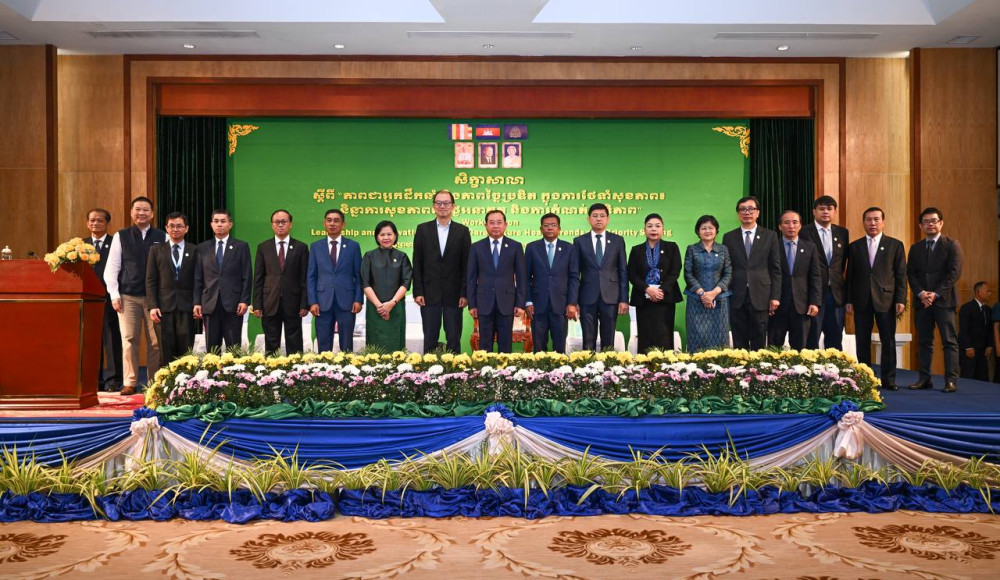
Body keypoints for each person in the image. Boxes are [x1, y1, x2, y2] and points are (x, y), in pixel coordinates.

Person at [103, 196, 166, 395]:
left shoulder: (162, 236)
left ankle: (154, 382)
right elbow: (112, 268)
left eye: (146, 209)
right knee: (129, 339)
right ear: (131, 213)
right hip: (127, 296)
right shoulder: (121, 236)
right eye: (137, 209)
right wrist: (114, 294)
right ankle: (129, 381)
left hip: (154, 299)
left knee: (155, 342)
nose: (141, 213)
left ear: (152, 214)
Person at [845, 207, 907, 391]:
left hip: (886, 300)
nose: (872, 223)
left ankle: (889, 380)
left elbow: (901, 275)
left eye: (876, 219)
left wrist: (901, 299)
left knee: (888, 341)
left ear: (883, 222)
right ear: (863, 222)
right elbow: (850, 276)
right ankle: (865, 379)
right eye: (869, 219)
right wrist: (849, 300)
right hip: (861, 300)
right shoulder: (854, 247)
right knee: (862, 341)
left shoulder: (895, 245)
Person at [907, 207, 963, 393]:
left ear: (941, 223)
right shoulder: (915, 248)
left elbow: (953, 273)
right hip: (922, 302)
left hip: (944, 301)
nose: (930, 224)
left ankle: (951, 380)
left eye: (934, 221)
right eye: (926, 222)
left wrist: (935, 293)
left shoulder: (952, 245)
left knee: (949, 342)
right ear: (921, 226)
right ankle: (924, 379)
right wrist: (921, 293)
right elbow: (911, 274)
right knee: (924, 342)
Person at [412, 189, 471, 353]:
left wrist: (464, 293)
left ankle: (455, 368)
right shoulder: (423, 229)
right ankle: (428, 368)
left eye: (446, 203)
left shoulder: (462, 231)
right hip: (429, 293)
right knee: (430, 338)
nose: (442, 206)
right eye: (439, 203)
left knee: (454, 338)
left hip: (455, 294)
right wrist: (418, 291)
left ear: (453, 206)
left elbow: (467, 265)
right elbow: (417, 262)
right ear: (433, 206)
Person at [721, 196, 782, 350]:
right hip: (736, 294)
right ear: (738, 214)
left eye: (751, 209)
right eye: (743, 209)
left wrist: (775, 297)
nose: (747, 212)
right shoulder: (729, 237)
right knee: (738, 339)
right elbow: (726, 267)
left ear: (758, 212)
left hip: (761, 294)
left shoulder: (770, 235)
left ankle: (758, 366)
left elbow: (775, 269)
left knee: (759, 338)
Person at [193, 209, 253, 351]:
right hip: (209, 303)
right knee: (212, 349)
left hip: (233, 304)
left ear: (230, 224)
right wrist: (197, 302)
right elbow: (198, 278)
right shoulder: (202, 248)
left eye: (223, 221)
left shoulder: (241, 246)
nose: (219, 224)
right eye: (216, 221)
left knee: (234, 349)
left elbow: (247, 276)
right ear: (211, 224)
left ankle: (234, 367)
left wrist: (244, 301)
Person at [467, 210, 526, 353]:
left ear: (505, 225)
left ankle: (505, 368)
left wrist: (520, 303)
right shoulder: (476, 247)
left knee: (505, 345)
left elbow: (521, 277)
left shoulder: (515, 246)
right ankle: (485, 368)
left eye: (499, 222)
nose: (495, 226)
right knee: (484, 345)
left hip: (507, 302)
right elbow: (471, 277)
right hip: (483, 302)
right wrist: (472, 304)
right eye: (492, 222)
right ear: (485, 225)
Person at [572, 203, 628, 351]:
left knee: (608, 340)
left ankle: (607, 365)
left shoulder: (617, 240)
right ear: (588, 219)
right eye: (595, 216)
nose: (599, 219)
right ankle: (588, 365)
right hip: (586, 296)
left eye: (602, 216)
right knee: (588, 340)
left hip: (611, 296)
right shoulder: (579, 241)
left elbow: (623, 271)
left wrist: (623, 299)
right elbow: (575, 273)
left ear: (608, 219)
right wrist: (574, 300)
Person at [252, 209, 309, 354]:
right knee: (271, 342)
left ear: (290, 224)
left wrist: (304, 303)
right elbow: (258, 278)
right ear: (272, 225)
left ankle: (295, 367)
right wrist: (257, 304)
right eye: (277, 222)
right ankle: (272, 368)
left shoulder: (301, 247)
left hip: (294, 302)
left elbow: (304, 278)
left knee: (294, 341)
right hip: (269, 301)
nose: (280, 225)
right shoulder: (263, 247)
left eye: (284, 222)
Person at [307, 209, 363, 353]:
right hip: (322, 302)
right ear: (324, 223)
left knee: (347, 345)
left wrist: (358, 299)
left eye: (336, 220)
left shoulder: (353, 246)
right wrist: (312, 301)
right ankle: (324, 367)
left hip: (347, 301)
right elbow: (311, 276)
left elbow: (359, 276)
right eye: (329, 220)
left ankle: (348, 366)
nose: (332, 223)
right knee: (323, 344)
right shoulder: (315, 247)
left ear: (343, 224)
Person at [146, 212, 197, 364]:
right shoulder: (156, 250)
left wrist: (197, 303)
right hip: (163, 308)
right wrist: (152, 306)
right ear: (166, 228)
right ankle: (166, 379)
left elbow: (198, 280)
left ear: (186, 229)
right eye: (172, 226)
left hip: (186, 307)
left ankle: (186, 378)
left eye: (179, 226)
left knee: (186, 351)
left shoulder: (194, 250)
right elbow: (150, 280)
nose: (175, 229)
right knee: (165, 350)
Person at [767, 210, 822, 350]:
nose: (791, 226)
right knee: (773, 349)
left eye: (795, 222)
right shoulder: (772, 246)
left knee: (800, 348)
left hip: (802, 305)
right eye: (787, 222)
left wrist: (815, 302)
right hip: (777, 305)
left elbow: (815, 276)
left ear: (800, 226)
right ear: (780, 226)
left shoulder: (810, 247)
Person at [801, 195, 850, 350]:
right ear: (814, 211)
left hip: (835, 295)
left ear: (835, 211)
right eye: (821, 209)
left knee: (835, 340)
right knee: (811, 339)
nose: (825, 212)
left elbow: (842, 263)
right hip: (812, 295)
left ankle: (833, 366)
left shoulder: (842, 233)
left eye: (829, 209)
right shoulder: (804, 232)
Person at [627, 213, 682, 352]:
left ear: (663, 229)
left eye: (657, 226)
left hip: (665, 298)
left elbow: (675, 271)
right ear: (644, 229)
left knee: (664, 335)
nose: (653, 229)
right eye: (650, 226)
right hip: (643, 299)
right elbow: (632, 274)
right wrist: (647, 289)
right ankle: (644, 364)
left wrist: (661, 290)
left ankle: (665, 364)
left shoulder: (672, 247)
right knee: (645, 336)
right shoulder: (636, 250)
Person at [525, 213, 579, 353]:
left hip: (561, 305)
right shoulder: (532, 248)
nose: (550, 228)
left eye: (553, 225)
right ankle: (539, 368)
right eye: (546, 225)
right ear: (541, 229)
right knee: (539, 347)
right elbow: (526, 277)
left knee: (559, 347)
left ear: (559, 229)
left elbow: (574, 277)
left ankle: (560, 368)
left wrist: (572, 303)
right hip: (537, 305)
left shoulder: (569, 248)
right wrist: (528, 301)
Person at [84, 207, 122, 392]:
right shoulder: (80, 245)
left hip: (109, 298)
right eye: (92, 220)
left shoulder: (115, 242)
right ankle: (94, 380)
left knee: (112, 339)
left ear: (107, 223)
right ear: (87, 223)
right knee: (91, 340)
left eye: (100, 220)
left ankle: (114, 380)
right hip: (87, 300)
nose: (95, 223)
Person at [360, 220, 412, 352]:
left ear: (395, 236)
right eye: (382, 234)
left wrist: (391, 303)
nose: (386, 237)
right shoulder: (369, 256)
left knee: (395, 344)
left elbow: (406, 282)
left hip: (396, 307)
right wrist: (380, 306)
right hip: (375, 308)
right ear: (377, 237)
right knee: (375, 347)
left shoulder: (402, 256)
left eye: (389, 234)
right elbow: (365, 282)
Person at [683, 215, 732, 353]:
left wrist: (714, 293)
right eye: (703, 228)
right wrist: (703, 294)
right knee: (696, 338)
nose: (707, 231)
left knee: (719, 340)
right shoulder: (692, 249)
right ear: (698, 231)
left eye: (711, 228)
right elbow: (688, 274)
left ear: (716, 230)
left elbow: (728, 273)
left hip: (720, 300)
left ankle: (720, 365)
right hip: (696, 301)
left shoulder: (723, 249)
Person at [958, 282, 992, 381]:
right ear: (978, 292)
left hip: (983, 352)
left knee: (983, 379)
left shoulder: (988, 309)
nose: (989, 293)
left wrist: (989, 346)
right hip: (969, 351)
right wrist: (968, 347)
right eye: (987, 291)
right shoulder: (967, 308)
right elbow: (964, 329)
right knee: (968, 378)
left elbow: (989, 330)